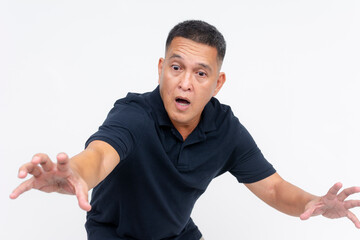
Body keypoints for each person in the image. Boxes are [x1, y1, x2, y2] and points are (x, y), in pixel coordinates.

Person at [10, 20, 360, 240]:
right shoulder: (135, 115)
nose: (185, 83)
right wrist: (75, 174)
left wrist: (313, 201)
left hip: (178, 235)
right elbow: (100, 155)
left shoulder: (225, 130)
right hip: (115, 234)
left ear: (218, 83)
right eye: (176, 67)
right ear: (162, 68)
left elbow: (272, 188)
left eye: (201, 73)